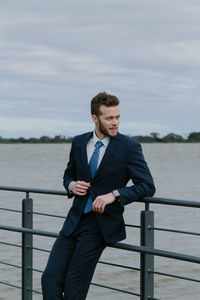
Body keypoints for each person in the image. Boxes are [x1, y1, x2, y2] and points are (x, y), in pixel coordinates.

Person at [41, 92, 155, 299]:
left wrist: (115, 194)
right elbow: (68, 175)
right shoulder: (78, 142)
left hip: (100, 226)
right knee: (49, 279)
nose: (115, 123)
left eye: (117, 117)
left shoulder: (130, 148)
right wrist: (72, 185)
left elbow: (147, 185)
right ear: (95, 118)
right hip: (73, 221)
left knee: (74, 287)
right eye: (109, 118)